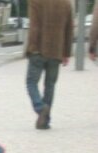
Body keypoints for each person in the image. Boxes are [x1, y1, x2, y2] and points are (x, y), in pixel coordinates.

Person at [25, 0, 72, 130]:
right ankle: (45, 121)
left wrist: (31, 48)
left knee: (31, 82)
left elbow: (34, 26)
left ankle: (40, 108)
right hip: (56, 51)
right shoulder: (66, 3)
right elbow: (69, 29)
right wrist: (66, 53)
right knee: (50, 85)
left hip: (38, 49)